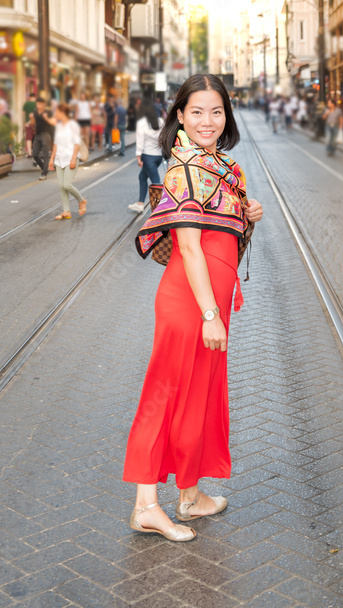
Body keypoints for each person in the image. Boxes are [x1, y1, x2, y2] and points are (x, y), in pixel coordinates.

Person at [124, 74, 264, 541]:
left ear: (227, 116)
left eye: (217, 111)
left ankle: (190, 496)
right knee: (164, 396)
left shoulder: (219, 165)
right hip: (190, 303)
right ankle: (147, 505)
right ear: (180, 116)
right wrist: (208, 314)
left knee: (199, 397)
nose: (208, 121)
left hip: (209, 302)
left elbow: (219, 236)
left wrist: (248, 212)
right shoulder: (184, 169)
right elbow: (188, 248)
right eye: (197, 112)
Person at [48, 102, 87, 220]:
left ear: (62, 112)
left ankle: (81, 200)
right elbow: (55, 143)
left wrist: (74, 158)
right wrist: (51, 158)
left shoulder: (73, 125)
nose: (55, 114)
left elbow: (76, 143)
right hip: (59, 159)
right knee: (61, 186)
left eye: (56, 112)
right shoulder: (59, 126)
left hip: (70, 158)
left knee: (67, 185)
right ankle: (66, 211)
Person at [128, 98, 163, 214]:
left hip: (148, 157)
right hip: (158, 157)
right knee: (142, 177)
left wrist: (138, 157)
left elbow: (140, 142)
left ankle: (162, 210)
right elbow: (163, 138)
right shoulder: (160, 121)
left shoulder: (142, 123)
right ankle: (140, 203)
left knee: (156, 183)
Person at [32, 94, 55, 181]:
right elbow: (33, 122)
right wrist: (31, 120)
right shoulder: (35, 112)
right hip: (37, 135)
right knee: (34, 154)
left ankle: (44, 173)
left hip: (46, 134)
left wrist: (46, 118)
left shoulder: (48, 112)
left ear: (44, 104)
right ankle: (44, 168)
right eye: (37, 104)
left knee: (45, 155)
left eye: (40, 104)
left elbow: (53, 122)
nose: (38, 106)